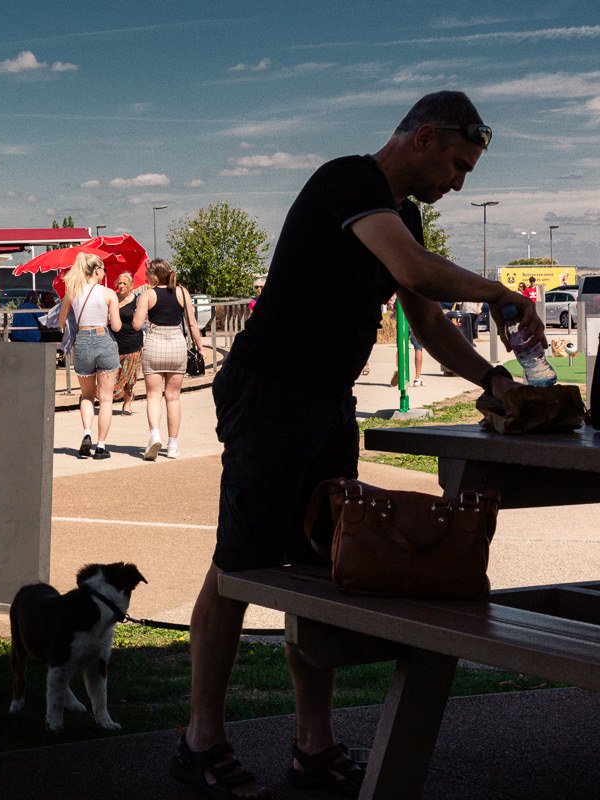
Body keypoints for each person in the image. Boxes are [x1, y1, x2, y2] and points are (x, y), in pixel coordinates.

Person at [174, 92, 539, 799]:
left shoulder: (402, 215)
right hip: (270, 393)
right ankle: (200, 741)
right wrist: (499, 291)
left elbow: (428, 322)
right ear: (424, 137)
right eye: (458, 166)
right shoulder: (349, 182)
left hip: (326, 403)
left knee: (322, 570)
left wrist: (493, 378)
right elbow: (412, 272)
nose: (458, 184)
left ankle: (314, 747)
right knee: (240, 566)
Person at [132, 259, 204, 460]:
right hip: (176, 345)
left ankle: (155, 434)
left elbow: (137, 325)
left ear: (154, 276)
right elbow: (192, 323)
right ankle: (173, 444)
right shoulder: (182, 292)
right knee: (173, 397)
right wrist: (199, 347)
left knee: (154, 395)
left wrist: (145, 318)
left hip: (155, 344)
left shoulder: (148, 294)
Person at [58, 252, 121, 460]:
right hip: (104, 339)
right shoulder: (109, 293)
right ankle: (101, 446)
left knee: (86, 396)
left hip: (83, 341)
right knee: (105, 399)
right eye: (103, 269)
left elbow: (61, 320)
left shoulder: (72, 292)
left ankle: (87, 433)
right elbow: (117, 327)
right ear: (96, 270)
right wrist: (111, 316)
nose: (104, 273)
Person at [111, 272, 144, 416]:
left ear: (131, 286)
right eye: (120, 283)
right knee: (113, 377)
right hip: (114, 343)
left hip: (133, 343)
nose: (122, 286)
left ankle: (127, 404)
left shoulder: (137, 301)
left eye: (125, 283)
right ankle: (96, 394)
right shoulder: (112, 299)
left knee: (130, 377)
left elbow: (142, 320)